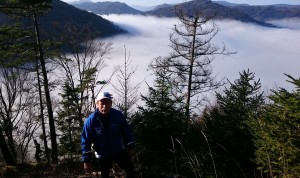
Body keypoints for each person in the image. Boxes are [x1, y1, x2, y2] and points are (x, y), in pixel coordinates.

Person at [81, 91, 136, 178]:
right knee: (105, 175)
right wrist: (86, 160)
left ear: (111, 103)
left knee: (130, 171)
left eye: (107, 103)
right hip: (102, 154)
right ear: (97, 104)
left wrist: (131, 145)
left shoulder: (118, 116)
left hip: (118, 150)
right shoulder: (91, 121)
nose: (104, 106)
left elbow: (127, 131)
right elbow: (86, 141)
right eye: (102, 103)